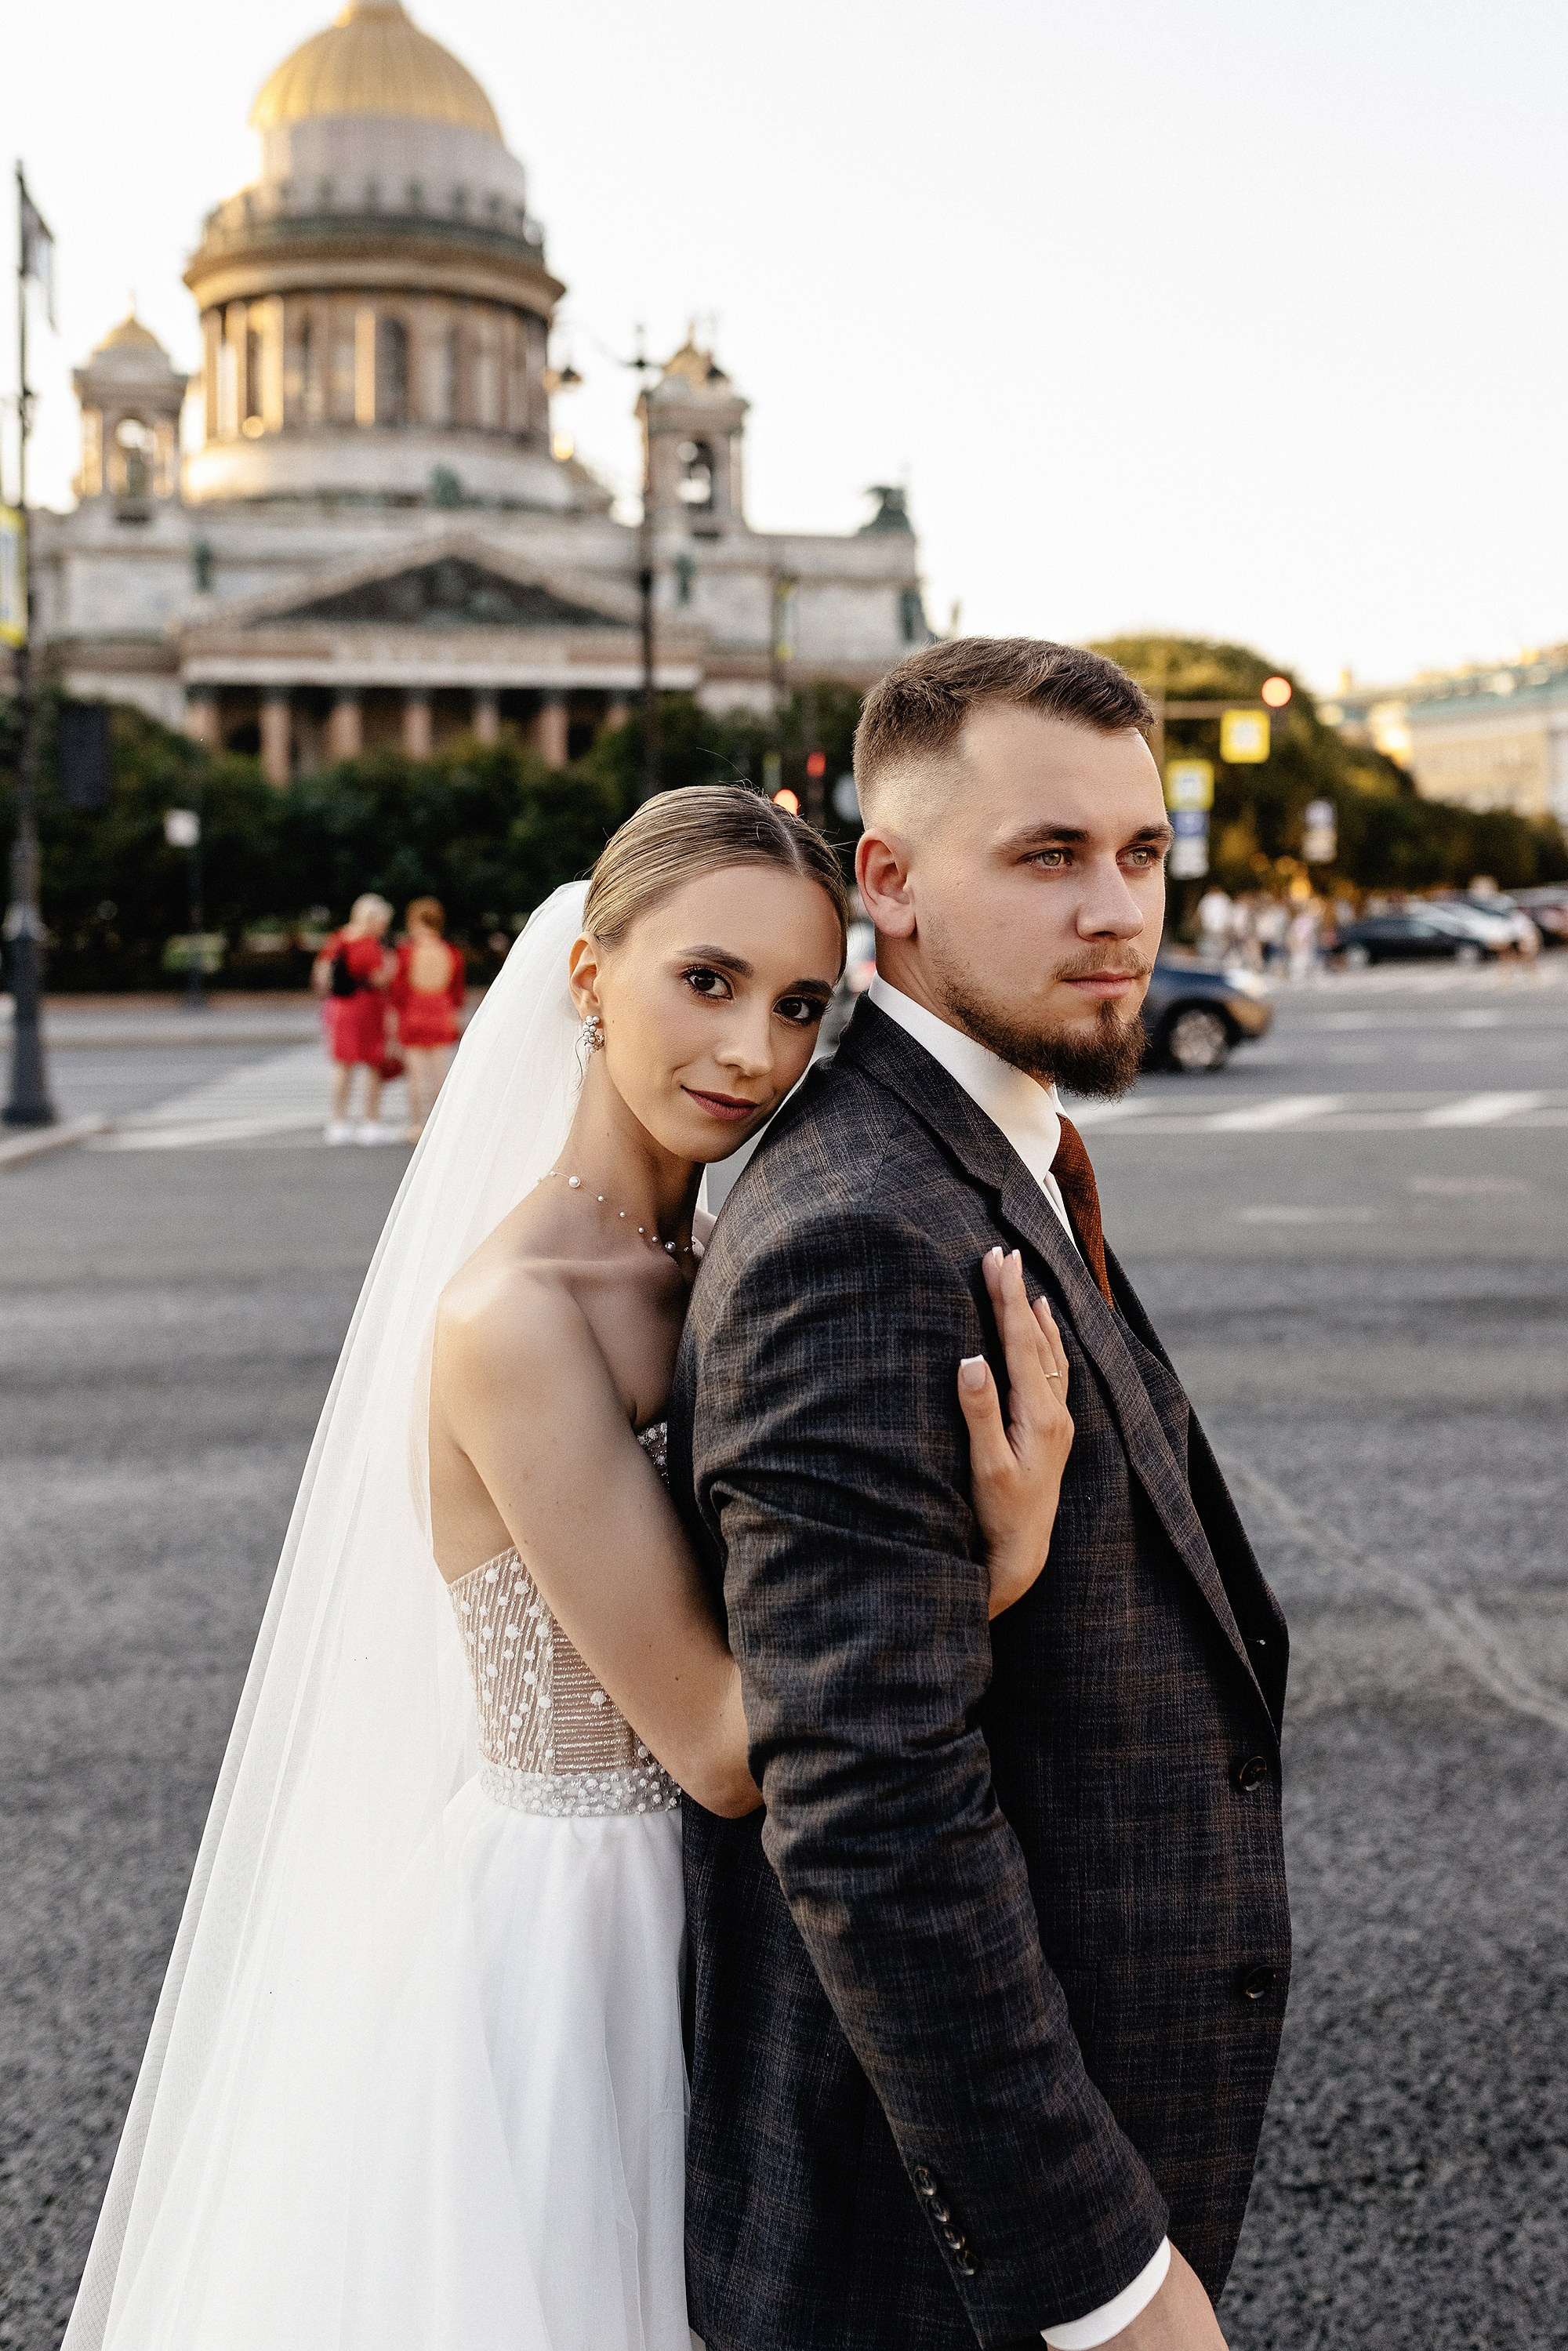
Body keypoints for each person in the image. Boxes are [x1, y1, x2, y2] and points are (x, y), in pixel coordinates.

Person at [62, 787, 1074, 2351]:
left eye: (800, 1004)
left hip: (725, 1927)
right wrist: (1001, 1555)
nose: (751, 1049)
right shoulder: (517, 1313)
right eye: (707, 979)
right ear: (592, 974)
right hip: (569, 1951)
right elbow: (717, 1747)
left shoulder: (731, 1259)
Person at [674, 638, 1290, 2351]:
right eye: (1046, 855)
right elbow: (871, 1811)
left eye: (1142, 853)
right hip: (934, 2264)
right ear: (889, 880)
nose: (1118, 910)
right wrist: (1091, 2274)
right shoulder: (865, 1230)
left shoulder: (978, 1145)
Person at [313, 891, 397, 1145]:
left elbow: (320, 974)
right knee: (372, 1064)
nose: (384, 926)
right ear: (372, 918)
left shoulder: (338, 938)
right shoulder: (369, 943)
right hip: (366, 1006)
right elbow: (379, 978)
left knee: (342, 1064)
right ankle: (371, 1123)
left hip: (339, 1006)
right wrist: (392, 966)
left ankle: (338, 1123)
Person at [390, 895, 467, 1141]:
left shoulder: (407, 952)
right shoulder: (451, 953)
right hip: (441, 1012)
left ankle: (417, 1125)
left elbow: (398, 991)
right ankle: (439, 1126)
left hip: (414, 1012)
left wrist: (392, 1024)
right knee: (440, 1073)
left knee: (416, 1075)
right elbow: (456, 993)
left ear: (414, 921)